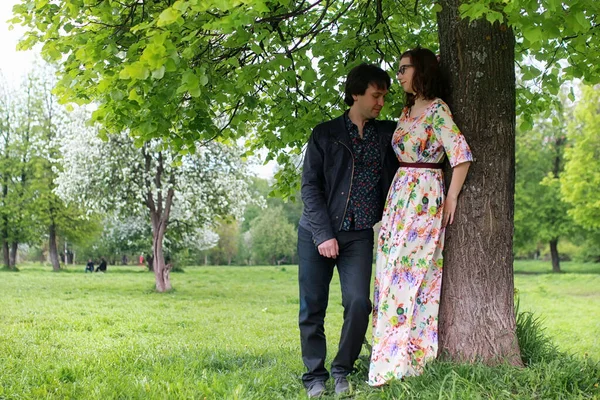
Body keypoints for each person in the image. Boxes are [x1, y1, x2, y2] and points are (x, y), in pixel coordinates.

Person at [368, 47, 473, 386]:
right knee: (388, 274)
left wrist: (451, 196)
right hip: (399, 197)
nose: (398, 76)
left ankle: (408, 362)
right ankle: (390, 358)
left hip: (424, 195)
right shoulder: (406, 109)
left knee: (412, 277)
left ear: (421, 70)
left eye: (403, 69)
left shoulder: (437, 109)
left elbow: (461, 154)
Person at [298, 63, 399, 398]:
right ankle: (315, 375)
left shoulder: (387, 134)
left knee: (358, 303)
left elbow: (419, 128)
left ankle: (342, 369)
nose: (381, 102)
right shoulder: (325, 133)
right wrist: (323, 234)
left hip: (359, 233)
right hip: (317, 231)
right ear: (356, 94)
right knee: (313, 305)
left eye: (385, 95)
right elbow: (310, 187)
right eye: (375, 95)